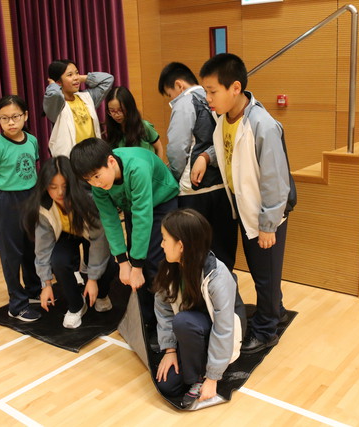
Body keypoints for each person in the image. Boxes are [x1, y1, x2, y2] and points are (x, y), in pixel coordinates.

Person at [199, 53, 297, 354]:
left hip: (266, 214)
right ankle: (276, 311)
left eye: (212, 91)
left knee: (265, 275)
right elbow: (229, 150)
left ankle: (266, 331)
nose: (208, 98)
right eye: (206, 91)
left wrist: (268, 225)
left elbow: (276, 182)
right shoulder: (225, 120)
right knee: (262, 272)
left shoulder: (262, 125)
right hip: (244, 209)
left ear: (235, 88)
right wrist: (205, 156)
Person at [69, 138, 179, 328]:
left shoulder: (137, 168)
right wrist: (122, 261)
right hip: (132, 205)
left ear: (111, 161)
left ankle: (167, 321)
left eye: (97, 176)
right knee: (136, 263)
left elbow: (143, 217)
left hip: (161, 202)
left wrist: (136, 266)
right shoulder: (99, 185)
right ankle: (146, 319)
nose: (95, 183)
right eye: (88, 180)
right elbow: (110, 220)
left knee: (154, 262)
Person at [153, 209, 246, 408]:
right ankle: (196, 367)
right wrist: (169, 350)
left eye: (165, 239)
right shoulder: (170, 268)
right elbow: (163, 309)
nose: (161, 245)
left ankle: (199, 377)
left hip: (219, 332)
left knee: (184, 321)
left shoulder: (218, 276)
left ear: (181, 245)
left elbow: (224, 328)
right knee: (167, 386)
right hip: (193, 333)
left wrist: (212, 377)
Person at [158, 62, 236, 270]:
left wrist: (173, 178)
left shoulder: (185, 102)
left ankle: (200, 290)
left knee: (195, 253)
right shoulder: (220, 100)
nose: (171, 100)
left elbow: (177, 148)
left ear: (179, 85)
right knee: (223, 252)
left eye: (169, 94)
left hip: (193, 189)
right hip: (223, 187)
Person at [23, 156, 118, 329]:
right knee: (58, 261)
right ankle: (76, 305)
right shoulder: (43, 207)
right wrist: (46, 283)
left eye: (65, 186)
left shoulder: (90, 199)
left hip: (91, 234)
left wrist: (92, 278)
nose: (59, 192)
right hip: (65, 234)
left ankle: (102, 294)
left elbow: (99, 240)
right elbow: (43, 247)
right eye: (53, 187)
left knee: (109, 263)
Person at [0, 95, 41, 322]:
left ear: (25, 116)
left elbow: (33, 168)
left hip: (31, 196)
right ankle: (17, 305)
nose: (11, 122)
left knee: (31, 247)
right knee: (12, 253)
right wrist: (10, 186)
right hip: (8, 200)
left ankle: (34, 290)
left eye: (15, 116)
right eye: (4, 118)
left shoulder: (32, 140)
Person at [43, 59, 114, 157]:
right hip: (71, 158)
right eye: (70, 75)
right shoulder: (56, 105)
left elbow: (108, 79)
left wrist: (80, 78)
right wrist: (53, 84)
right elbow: (54, 94)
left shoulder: (87, 97)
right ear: (58, 82)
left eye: (77, 73)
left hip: (93, 154)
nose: (76, 77)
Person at [104, 86, 164, 160]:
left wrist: (159, 166)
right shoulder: (112, 129)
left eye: (121, 110)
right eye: (112, 111)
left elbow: (159, 148)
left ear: (129, 108)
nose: (116, 115)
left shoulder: (144, 126)